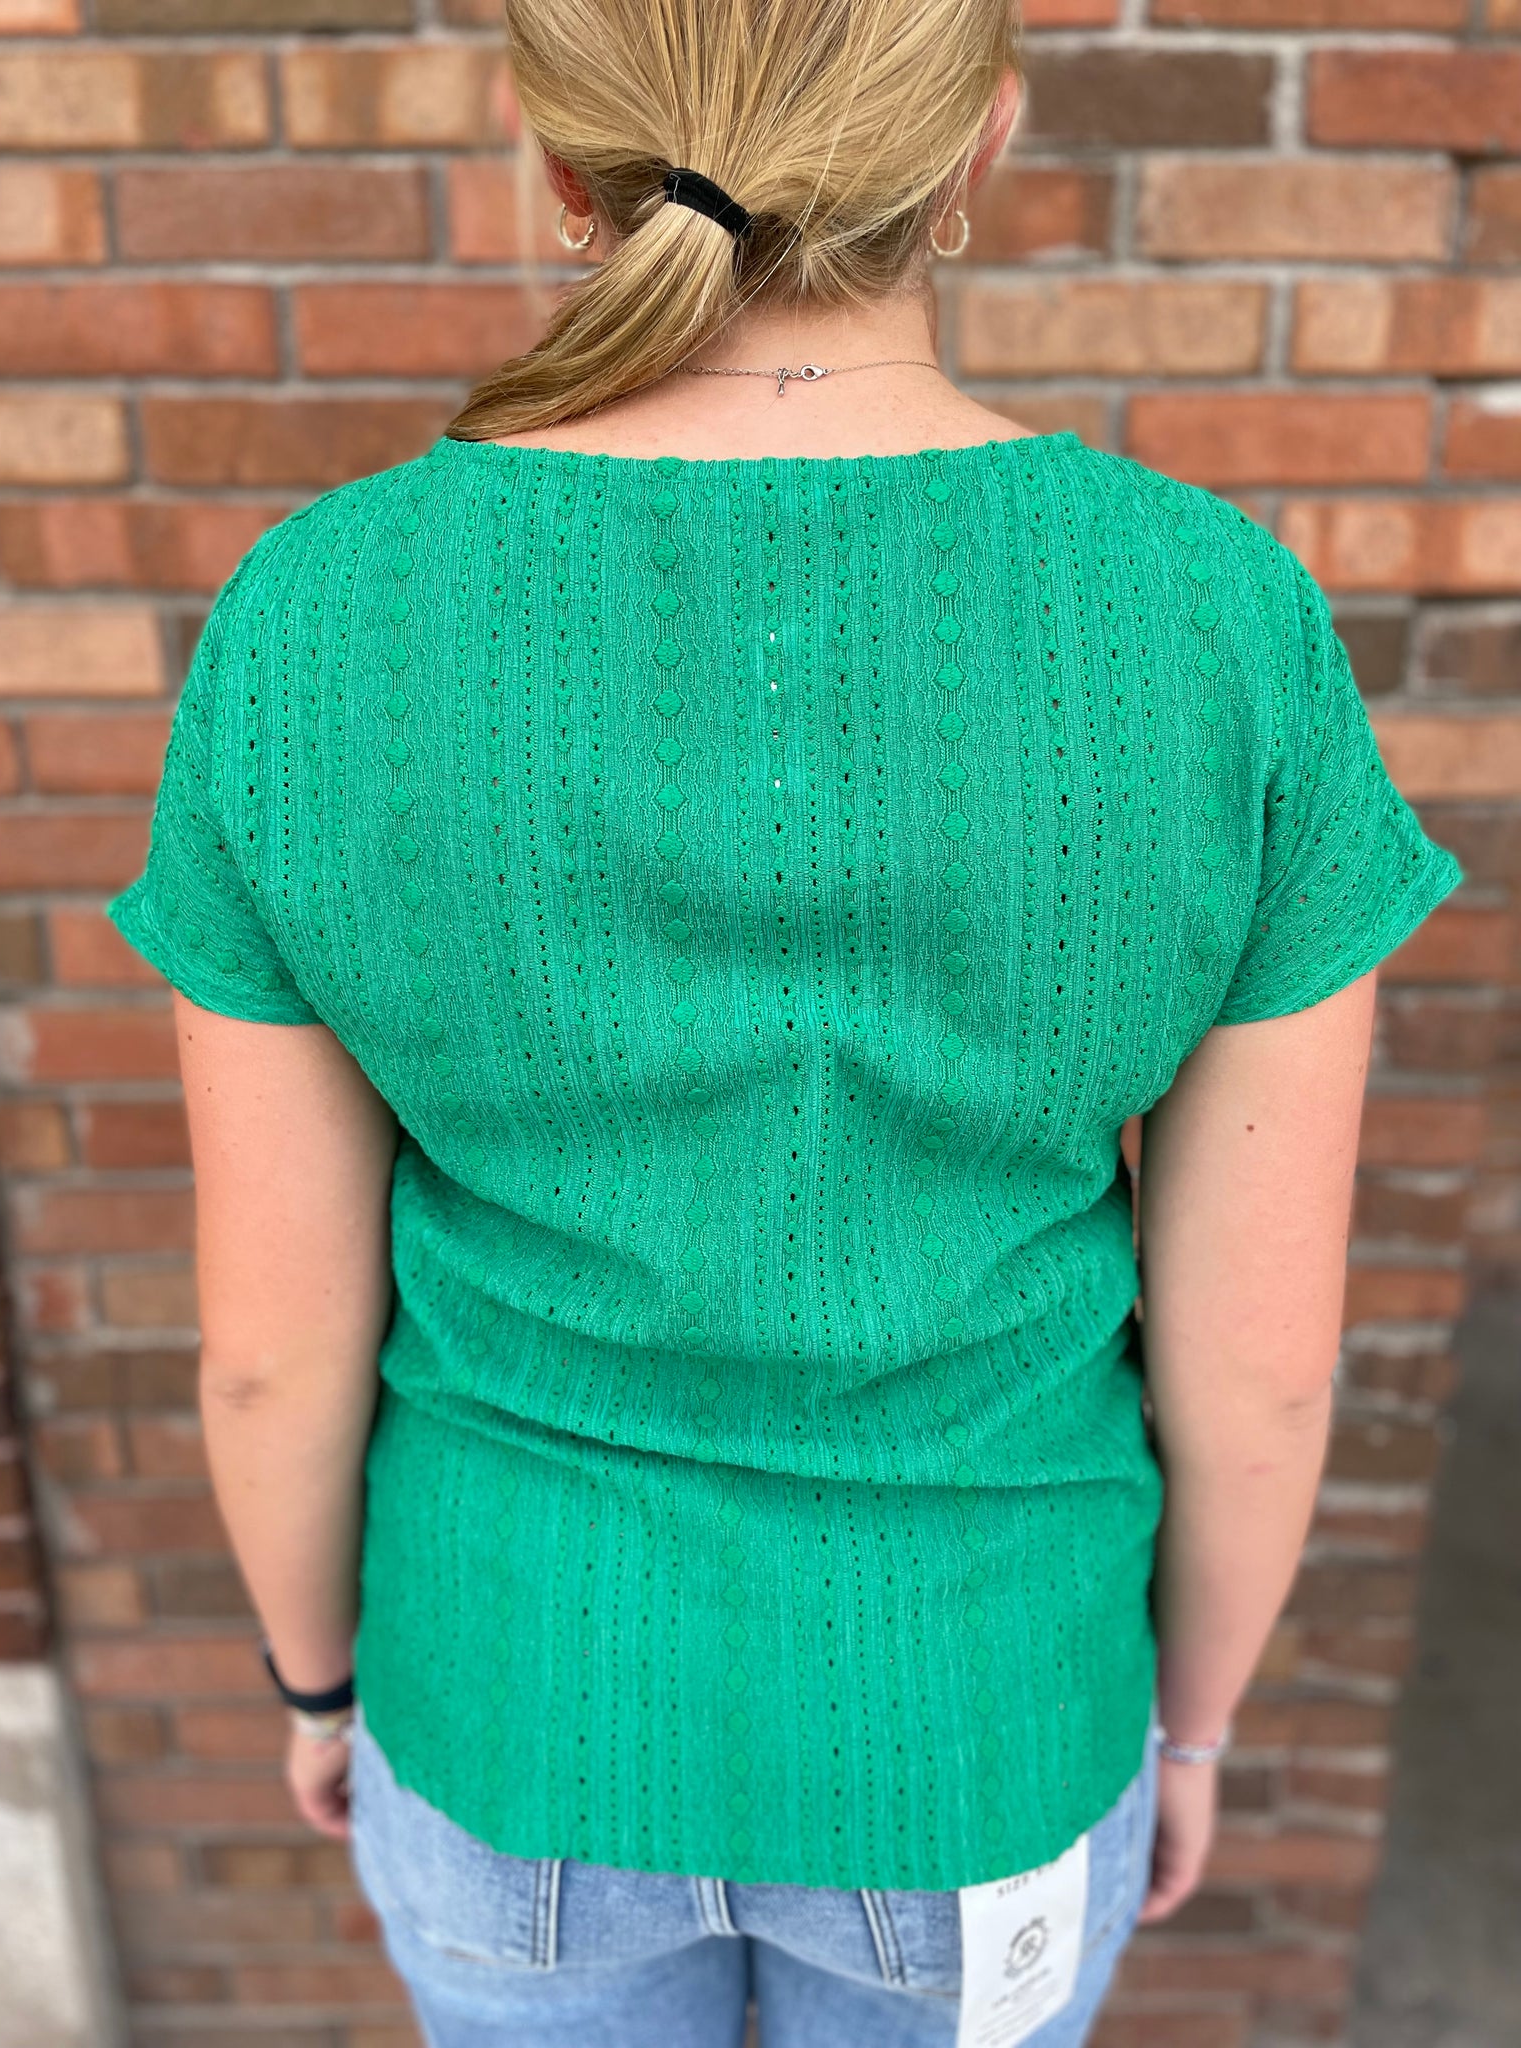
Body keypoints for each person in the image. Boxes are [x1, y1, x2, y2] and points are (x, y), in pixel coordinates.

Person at [104, 2, 1466, 2043]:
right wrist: (1183, 1731)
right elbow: (1262, 1373)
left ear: (552, 156)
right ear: (980, 140)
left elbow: (268, 1358)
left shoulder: (315, 617)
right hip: (987, 1726)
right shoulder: (1214, 618)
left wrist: (318, 1684)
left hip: (508, 1702)